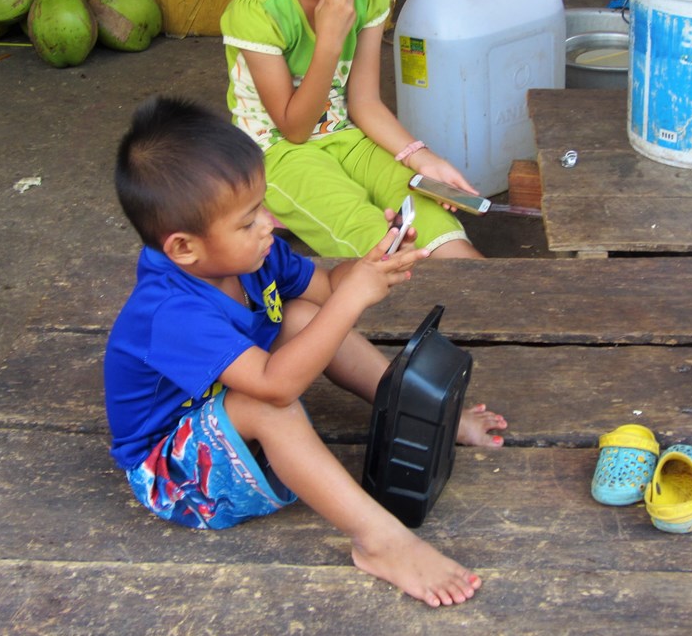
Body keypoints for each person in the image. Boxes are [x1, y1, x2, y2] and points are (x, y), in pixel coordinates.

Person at [104, 96, 508, 608]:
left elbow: (322, 286)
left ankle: (419, 412)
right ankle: (381, 541)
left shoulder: (249, 255)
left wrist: (369, 264)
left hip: (224, 409)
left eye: (262, 205)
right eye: (248, 219)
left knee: (300, 316)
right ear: (184, 247)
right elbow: (277, 385)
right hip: (176, 474)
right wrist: (352, 296)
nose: (270, 223)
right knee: (270, 403)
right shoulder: (169, 311)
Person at [221, 0, 485, 259]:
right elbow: (294, 129)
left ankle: (499, 306)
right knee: (366, 228)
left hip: (345, 137)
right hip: (275, 153)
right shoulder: (257, 10)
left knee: (421, 205)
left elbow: (363, 101)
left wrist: (422, 158)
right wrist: (328, 40)